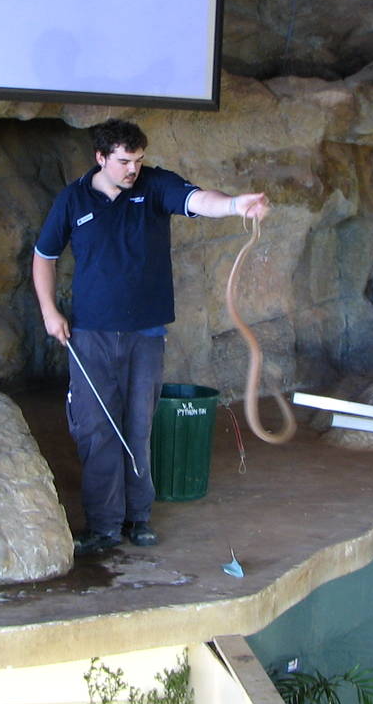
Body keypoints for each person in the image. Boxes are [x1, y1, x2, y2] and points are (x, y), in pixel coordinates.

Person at [32, 119, 270, 556]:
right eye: (124, 161)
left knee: (138, 426)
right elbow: (44, 256)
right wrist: (50, 312)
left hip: (146, 332)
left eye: (138, 160)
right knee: (97, 430)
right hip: (90, 334)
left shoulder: (155, 185)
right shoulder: (73, 199)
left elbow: (199, 200)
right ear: (100, 158)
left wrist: (236, 203)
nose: (132, 169)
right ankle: (103, 527)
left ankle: (138, 518)